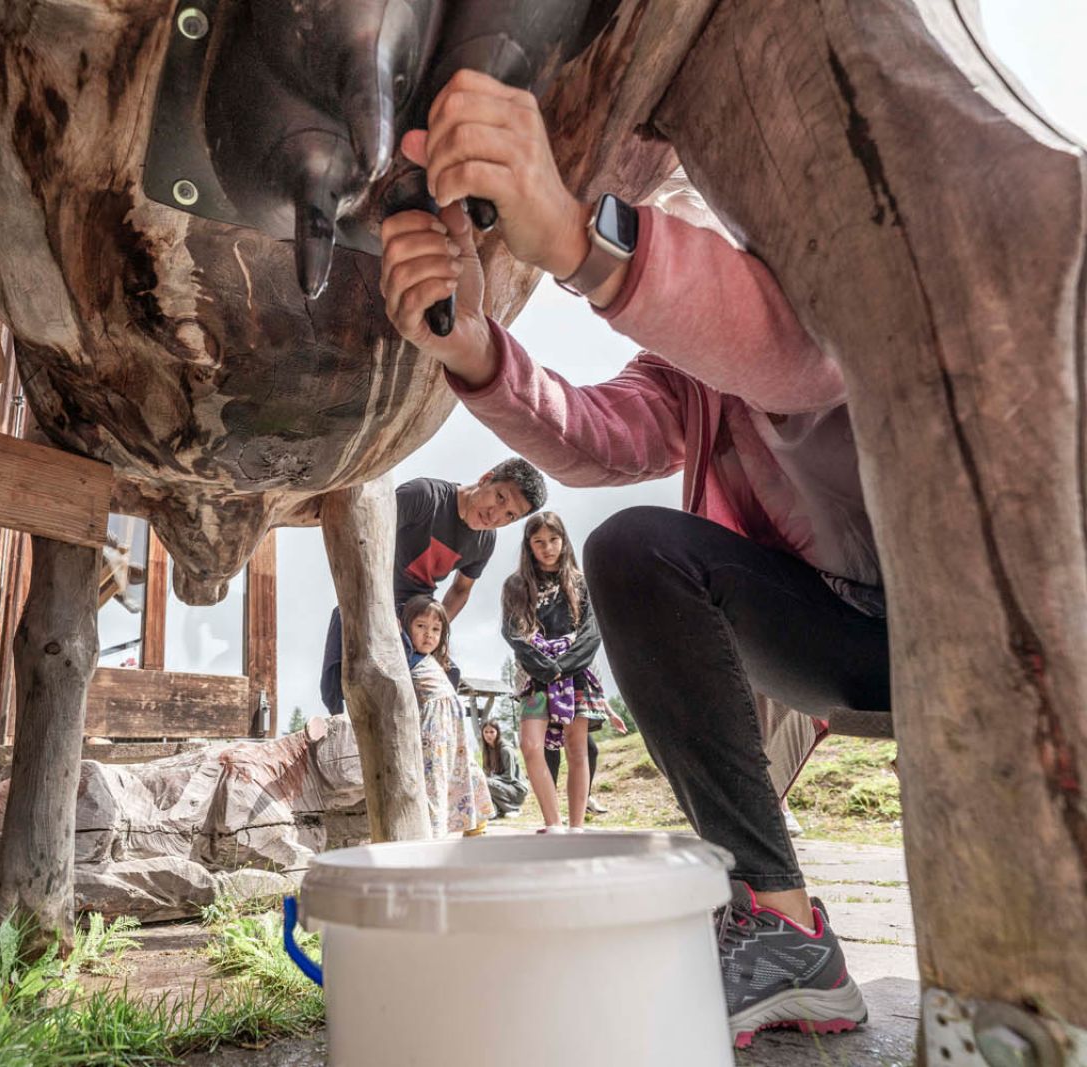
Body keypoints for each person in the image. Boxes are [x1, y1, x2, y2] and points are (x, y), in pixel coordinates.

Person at [377, 69, 880, 1047]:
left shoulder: (842, 271)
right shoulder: (687, 381)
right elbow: (594, 433)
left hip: (960, 617)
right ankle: (782, 927)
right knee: (634, 548)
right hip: (825, 637)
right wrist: (477, 349)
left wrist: (582, 242)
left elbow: (791, 356)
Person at [320, 460, 547, 714]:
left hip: (417, 612)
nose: (495, 516)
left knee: (445, 682)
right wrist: (379, 607)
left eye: (510, 516)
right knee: (351, 678)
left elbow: (461, 589)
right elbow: (367, 538)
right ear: (486, 478)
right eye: (500, 497)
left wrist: (435, 626)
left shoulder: (484, 542)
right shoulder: (424, 496)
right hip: (374, 597)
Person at [501, 511, 626, 829]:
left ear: (564, 540)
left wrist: (563, 667)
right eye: (539, 541)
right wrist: (545, 667)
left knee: (577, 747)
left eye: (553, 539)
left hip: (576, 673)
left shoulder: (581, 582)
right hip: (535, 676)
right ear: (529, 545)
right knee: (530, 745)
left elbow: (592, 632)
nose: (547, 548)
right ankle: (554, 823)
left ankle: (576, 827)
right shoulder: (516, 585)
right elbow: (512, 633)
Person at [402, 595, 493, 836]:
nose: (428, 634)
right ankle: (435, 838)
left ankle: (476, 829)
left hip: (453, 732)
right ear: (406, 627)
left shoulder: (436, 661)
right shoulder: (406, 659)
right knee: (436, 782)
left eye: (436, 629)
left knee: (469, 773)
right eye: (420, 626)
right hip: (432, 734)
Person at [479, 720, 528, 818]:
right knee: (479, 782)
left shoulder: (506, 750)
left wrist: (489, 780)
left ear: (498, 732)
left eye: (492, 732)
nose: (488, 735)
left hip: (515, 788)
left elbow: (509, 776)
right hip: (499, 785)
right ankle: (496, 809)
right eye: (486, 732)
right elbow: (486, 772)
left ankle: (513, 809)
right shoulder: (487, 750)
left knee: (487, 783)